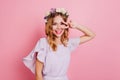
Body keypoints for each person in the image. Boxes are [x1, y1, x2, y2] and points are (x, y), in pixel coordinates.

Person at [23, 8, 96, 80]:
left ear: (65, 25)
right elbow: (38, 74)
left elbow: (91, 35)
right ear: (50, 26)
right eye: (55, 24)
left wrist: (76, 25)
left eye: (61, 23)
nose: (59, 27)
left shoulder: (68, 43)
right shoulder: (43, 44)